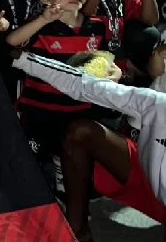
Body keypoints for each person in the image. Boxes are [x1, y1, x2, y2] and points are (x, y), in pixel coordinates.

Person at [11, 51, 166, 241]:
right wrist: (20, 58)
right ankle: (78, 231)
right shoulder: (158, 104)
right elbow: (84, 84)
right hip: (147, 175)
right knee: (81, 132)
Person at [6, 0, 108, 159]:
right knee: (35, 161)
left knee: (72, 157)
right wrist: (43, 20)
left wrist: (111, 71)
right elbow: (12, 41)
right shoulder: (40, 25)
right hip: (40, 111)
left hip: (81, 108)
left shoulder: (97, 25)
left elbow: (102, 58)